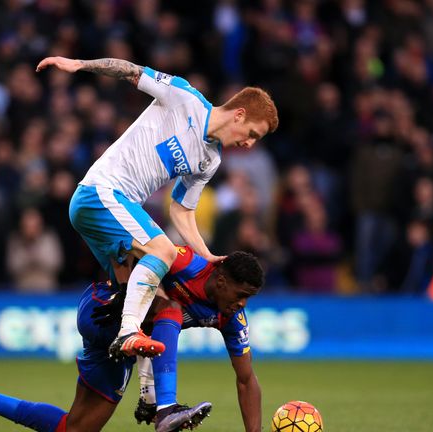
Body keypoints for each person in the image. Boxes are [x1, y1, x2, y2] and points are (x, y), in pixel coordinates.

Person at [35, 56, 278, 358]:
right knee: (162, 251)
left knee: (155, 301)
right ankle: (127, 333)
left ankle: (153, 401)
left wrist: (206, 254)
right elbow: (130, 72)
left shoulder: (210, 159)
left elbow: (181, 209)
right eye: (253, 134)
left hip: (115, 211)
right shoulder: (184, 98)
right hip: (101, 192)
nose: (249, 144)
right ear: (239, 115)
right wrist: (79, 66)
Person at [0, 250, 264, 432]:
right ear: (221, 281)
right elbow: (129, 249)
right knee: (170, 308)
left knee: (74, 429)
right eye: (241, 296)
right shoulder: (187, 263)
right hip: (103, 308)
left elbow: (246, 380)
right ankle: (163, 406)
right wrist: (128, 288)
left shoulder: (231, 319)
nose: (242, 305)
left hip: (125, 343)